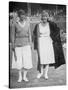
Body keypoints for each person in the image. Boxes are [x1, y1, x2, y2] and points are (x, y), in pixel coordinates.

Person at [33, 10, 65, 79]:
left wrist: (54, 39)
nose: (44, 18)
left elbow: (57, 29)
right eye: (43, 16)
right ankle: (40, 72)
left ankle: (46, 74)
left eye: (46, 16)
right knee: (41, 58)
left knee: (47, 59)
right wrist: (36, 46)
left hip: (48, 42)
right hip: (41, 42)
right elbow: (35, 35)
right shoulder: (38, 25)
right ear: (41, 17)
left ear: (47, 17)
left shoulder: (50, 24)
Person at [11, 9, 33, 82]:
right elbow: (12, 35)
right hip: (18, 45)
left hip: (26, 44)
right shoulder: (15, 24)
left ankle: (24, 76)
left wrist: (30, 43)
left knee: (27, 60)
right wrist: (13, 44)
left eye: (24, 15)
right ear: (19, 16)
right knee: (19, 61)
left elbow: (29, 34)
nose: (22, 16)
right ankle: (20, 77)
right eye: (21, 15)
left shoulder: (27, 23)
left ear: (25, 16)